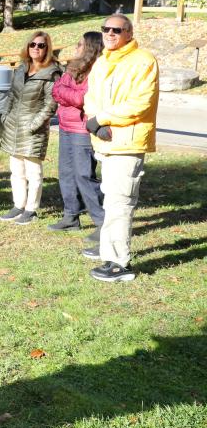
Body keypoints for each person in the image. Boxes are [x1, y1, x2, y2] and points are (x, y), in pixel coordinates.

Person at [82, 14, 159, 282]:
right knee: (111, 198)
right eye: (106, 29)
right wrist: (94, 122)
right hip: (105, 139)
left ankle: (119, 263)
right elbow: (90, 96)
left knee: (120, 202)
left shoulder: (143, 60)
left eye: (117, 30)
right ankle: (108, 252)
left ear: (129, 32)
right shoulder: (102, 61)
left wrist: (102, 119)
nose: (110, 34)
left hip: (128, 141)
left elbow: (141, 103)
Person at [0, 31, 61, 225]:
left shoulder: (52, 72)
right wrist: (5, 116)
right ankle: (18, 205)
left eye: (41, 45)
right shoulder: (21, 68)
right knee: (16, 170)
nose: (36, 48)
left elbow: (51, 104)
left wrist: (35, 124)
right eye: (33, 44)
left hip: (33, 128)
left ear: (47, 49)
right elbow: (11, 96)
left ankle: (31, 209)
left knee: (33, 171)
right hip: (13, 125)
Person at [49, 32, 105, 237]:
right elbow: (56, 90)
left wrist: (66, 95)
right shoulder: (72, 67)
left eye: (80, 44)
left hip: (83, 129)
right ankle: (71, 216)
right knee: (66, 173)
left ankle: (102, 221)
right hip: (65, 126)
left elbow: (84, 98)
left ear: (89, 47)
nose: (76, 47)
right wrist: (68, 95)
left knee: (84, 175)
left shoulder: (98, 70)